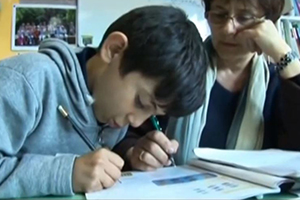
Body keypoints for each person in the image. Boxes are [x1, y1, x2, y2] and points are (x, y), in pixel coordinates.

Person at [0, 6, 208, 198]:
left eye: (151, 113)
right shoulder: (26, 80)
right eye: (141, 102)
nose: (135, 123)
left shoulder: (111, 111)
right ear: (115, 50)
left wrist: (132, 154)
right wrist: (67, 172)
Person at [114, 0, 300, 171]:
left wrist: (284, 54)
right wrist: (135, 153)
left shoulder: (279, 87)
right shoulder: (177, 71)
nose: (228, 28)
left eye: (244, 18)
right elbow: (124, 135)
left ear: (268, 25)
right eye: (219, 15)